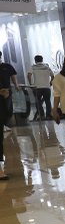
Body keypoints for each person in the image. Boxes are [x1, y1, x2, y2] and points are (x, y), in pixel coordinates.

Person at [0, 50, 19, 180]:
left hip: (4, 98)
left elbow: (13, 76)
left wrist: (14, 87)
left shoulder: (6, 67)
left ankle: (0, 170)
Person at [29, 55, 54, 120]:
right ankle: (48, 115)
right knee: (47, 101)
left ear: (35, 60)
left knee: (38, 101)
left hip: (37, 87)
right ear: (42, 60)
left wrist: (31, 84)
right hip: (46, 87)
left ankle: (41, 115)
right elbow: (52, 76)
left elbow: (29, 74)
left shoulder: (33, 67)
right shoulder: (47, 67)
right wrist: (50, 83)